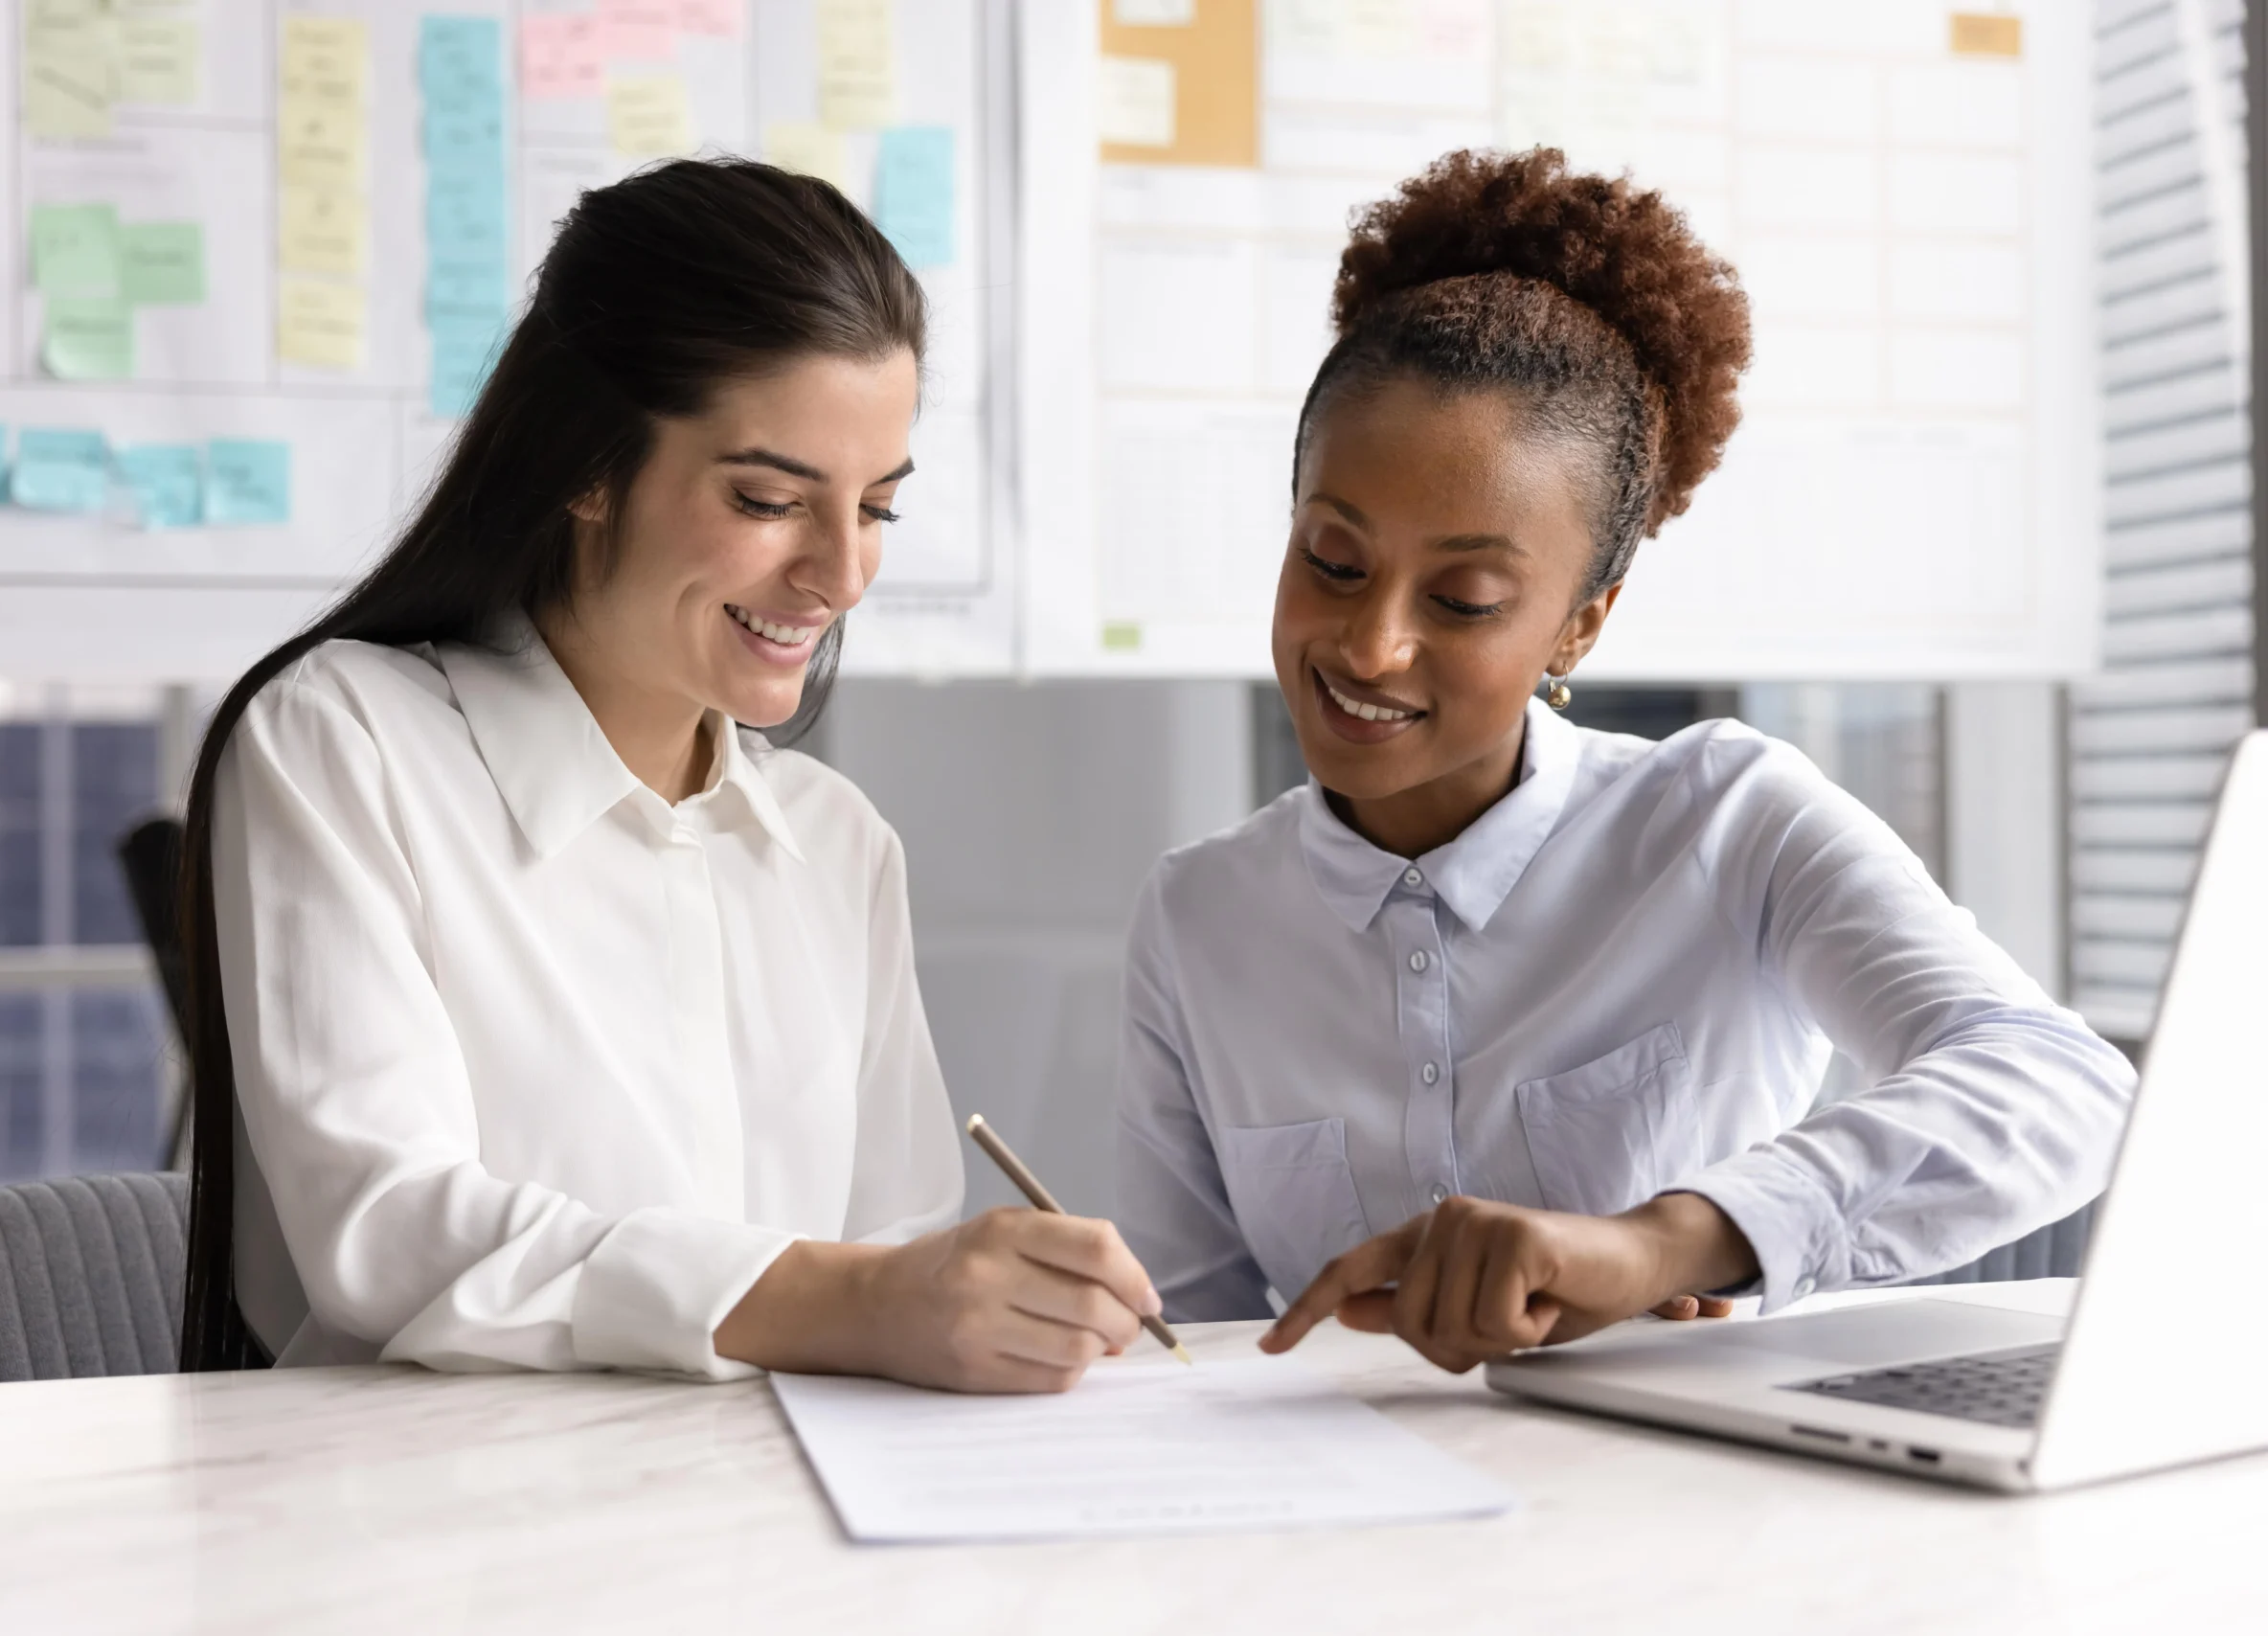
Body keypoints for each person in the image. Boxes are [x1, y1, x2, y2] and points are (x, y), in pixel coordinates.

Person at [1114, 149, 2135, 1375]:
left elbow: (2059, 1084)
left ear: (1581, 622)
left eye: (1465, 596)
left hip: (1703, 1518)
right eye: (1332, 561)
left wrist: (1673, 1240)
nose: (1371, 645)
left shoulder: (1724, 820)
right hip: (1348, 1521)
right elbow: (1196, 1338)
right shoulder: (1199, 913)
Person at [178, 158, 1159, 1390]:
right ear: (586, 466)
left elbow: (893, 1251)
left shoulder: (835, 843)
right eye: (768, 499)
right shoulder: (348, 742)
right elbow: (387, 1232)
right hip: (427, 1540)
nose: (842, 574)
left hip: (769, 1530)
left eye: (878, 510)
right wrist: (850, 1296)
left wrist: (982, 1309)